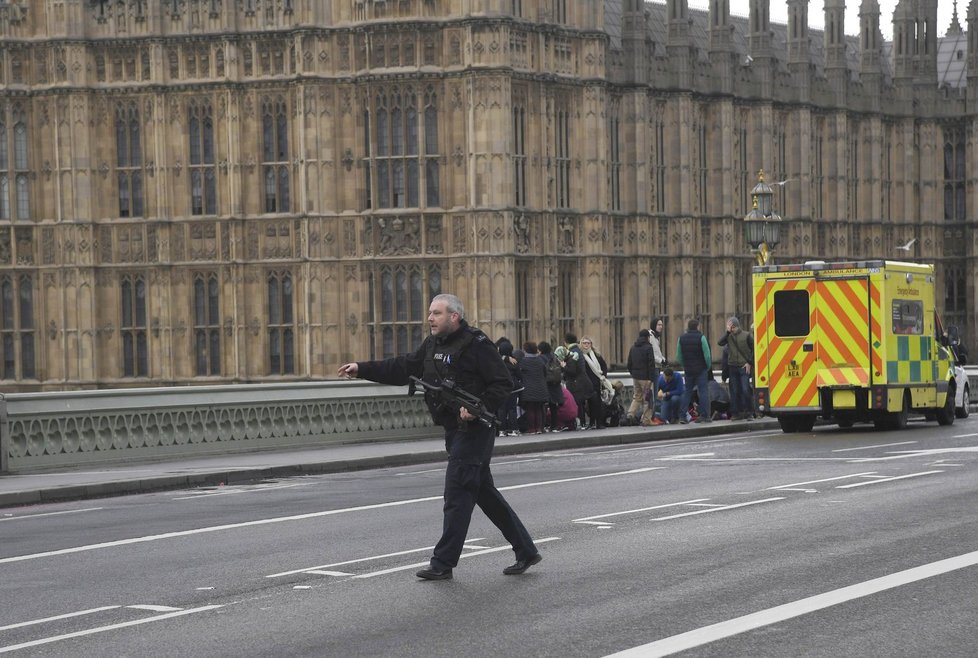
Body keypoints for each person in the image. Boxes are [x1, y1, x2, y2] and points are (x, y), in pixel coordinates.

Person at [337, 294, 541, 580]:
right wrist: (362, 369)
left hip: (474, 432)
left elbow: (503, 383)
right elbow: (404, 367)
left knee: (456, 495)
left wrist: (478, 408)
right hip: (452, 429)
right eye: (430, 313)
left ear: (454, 316)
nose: (430, 318)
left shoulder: (477, 345)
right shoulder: (433, 344)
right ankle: (526, 551)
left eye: (436, 313)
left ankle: (442, 563)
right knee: (485, 494)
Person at [676, 319, 712, 424]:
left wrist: (685, 365)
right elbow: (707, 355)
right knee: (703, 392)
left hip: (688, 370)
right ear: (697, 326)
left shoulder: (681, 338)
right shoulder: (702, 337)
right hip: (701, 370)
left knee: (687, 392)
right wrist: (708, 366)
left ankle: (682, 416)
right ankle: (704, 416)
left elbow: (678, 356)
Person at [718, 316, 753, 420]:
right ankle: (735, 413)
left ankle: (749, 412)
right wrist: (727, 332)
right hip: (732, 366)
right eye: (729, 327)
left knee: (746, 389)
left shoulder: (746, 335)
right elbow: (720, 343)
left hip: (743, 366)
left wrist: (749, 362)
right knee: (734, 391)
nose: (730, 329)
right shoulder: (728, 336)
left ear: (736, 326)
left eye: (732, 327)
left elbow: (754, 349)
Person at [560, 334, 594, 429]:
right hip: (581, 380)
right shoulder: (577, 350)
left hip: (575, 382)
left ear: (566, 342)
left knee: (577, 402)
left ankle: (579, 423)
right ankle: (582, 423)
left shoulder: (572, 352)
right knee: (580, 402)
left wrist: (563, 366)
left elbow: (572, 370)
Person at [517, 342, 549, 434]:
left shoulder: (523, 361)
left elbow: (520, 374)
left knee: (530, 409)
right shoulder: (540, 360)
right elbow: (545, 373)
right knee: (538, 408)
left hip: (528, 388)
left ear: (526, 350)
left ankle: (532, 428)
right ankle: (539, 428)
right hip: (541, 387)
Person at [626, 328, 656, 426]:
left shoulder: (633, 347)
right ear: (647, 337)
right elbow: (651, 364)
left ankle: (630, 414)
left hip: (636, 378)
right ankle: (646, 419)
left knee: (637, 397)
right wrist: (651, 378)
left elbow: (629, 363)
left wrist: (633, 374)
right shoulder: (648, 347)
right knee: (647, 398)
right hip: (645, 378)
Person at [579, 336, 610, 429]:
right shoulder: (580, 356)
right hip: (586, 383)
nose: (586, 345)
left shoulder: (596, 355)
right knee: (589, 404)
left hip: (597, 382)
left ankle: (599, 423)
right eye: (584, 343)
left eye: (588, 343)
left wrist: (603, 376)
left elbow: (604, 366)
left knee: (597, 404)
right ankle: (591, 423)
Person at [538, 341, 565, 431]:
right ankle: (554, 426)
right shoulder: (554, 357)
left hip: (545, 384)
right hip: (555, 384)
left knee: (543, 406)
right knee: (554, 407)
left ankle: (543, 426)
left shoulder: (540, 358)